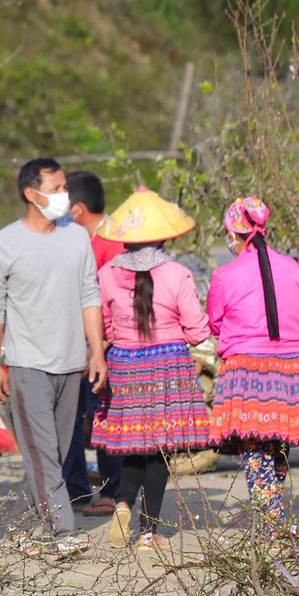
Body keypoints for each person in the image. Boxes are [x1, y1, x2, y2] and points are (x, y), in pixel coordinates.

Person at [0, 158, 106, 556]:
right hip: (26, 363)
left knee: (56, 454)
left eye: (64, 187)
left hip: (72, 362)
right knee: (42, 453)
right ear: (31, 195)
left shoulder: (76, 238)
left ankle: (21, 523)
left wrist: (97, 350)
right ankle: (62, 531)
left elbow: (90, 294)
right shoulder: (3, 244)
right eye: (55, 189)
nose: (63, 197)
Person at [93, 187, 211, 549]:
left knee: (134, 446)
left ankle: (124, 503)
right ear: (162, 234)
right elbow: (197, 329)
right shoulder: (177, 273)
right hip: (168, 366)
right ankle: (149, 531)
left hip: (126, 365)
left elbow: (106, 327)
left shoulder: (109, 272)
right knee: (161, 448)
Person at [206, 196, 299, 523]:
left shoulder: (225, 275)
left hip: (249, 370)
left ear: (234, 234)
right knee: (276, 444)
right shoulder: (290, 266)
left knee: (255, 450)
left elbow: (214, 322)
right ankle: (273, 515)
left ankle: (272, 523)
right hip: (292, 367)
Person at [65, 170, 126, 516]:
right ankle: (76, 489)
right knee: (71, 419)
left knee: (102, 416)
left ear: (77, 209)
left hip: (103, 349)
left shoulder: (111, 244)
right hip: (74, 347)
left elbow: (113, 305)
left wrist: (98, 346)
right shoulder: (81, 241)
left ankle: (109, 490)